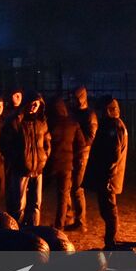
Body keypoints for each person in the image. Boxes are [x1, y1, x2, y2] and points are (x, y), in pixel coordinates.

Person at [83, 94, 128, 248]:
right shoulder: (110, 124)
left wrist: (107, 176)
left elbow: (114, 155)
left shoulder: (113, 126)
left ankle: (111, 242)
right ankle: (110, 241)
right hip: (106, 176)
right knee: (106, 209)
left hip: (108, 177)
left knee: (109, 210)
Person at [3, 92, 51, 227]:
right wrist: (17, 159)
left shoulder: (41, 122)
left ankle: (34, 230)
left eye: (38, 104)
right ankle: (18, 232)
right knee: (19, 204)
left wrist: (44, 157)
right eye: (33, 103)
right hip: (21, 169)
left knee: (36, 203)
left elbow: (48, 142)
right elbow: (5, 143)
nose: (34, 106)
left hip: (38, 169)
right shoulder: (16, 121)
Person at [46, 96, 82, 228]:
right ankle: (60, 224)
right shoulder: (73, 123)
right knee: (63, 195)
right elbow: (81, 143)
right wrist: (74, 156)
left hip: (52, 163)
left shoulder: (50, 123)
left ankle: (32, 221)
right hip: (67, 164)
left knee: (40, 192)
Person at [67, 86, 99, 232]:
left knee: (77, 188)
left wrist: (79, 146)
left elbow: (91, 137)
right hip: (71, 153)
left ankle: (80, 221)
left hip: (81, 155)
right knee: (68, 187)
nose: (73, 100)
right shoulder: (74, 113)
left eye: (76, 98)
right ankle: (69, 218)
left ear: (81, 97)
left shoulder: (89, 114)